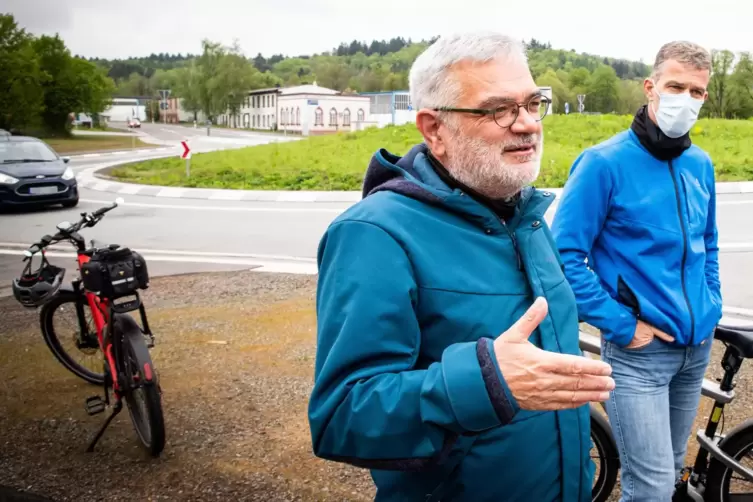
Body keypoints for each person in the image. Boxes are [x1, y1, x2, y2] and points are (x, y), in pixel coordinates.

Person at [307, 31, 615, 502]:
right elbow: (342, 417)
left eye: (533, 103)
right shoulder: (374, 234)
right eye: (499, 109)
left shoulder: (525, 217)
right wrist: (486, 381)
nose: (528, 124)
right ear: (434, 130)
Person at [551, 41, 722, 502]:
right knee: (648, 489)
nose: (685, 99)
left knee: (668, 473)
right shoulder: (603, 163)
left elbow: (708, 245)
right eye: (675, 86)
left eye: (697, 91)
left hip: (695, 350)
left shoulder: (700, 164)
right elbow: (563, 257)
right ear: (651, 87)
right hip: (638, 357)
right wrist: (624, 325)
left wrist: (712, 306)